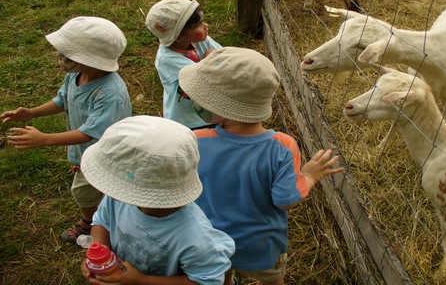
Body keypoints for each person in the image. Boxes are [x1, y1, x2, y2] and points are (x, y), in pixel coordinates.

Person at [178, 47, 345, 285]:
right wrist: (309, 176)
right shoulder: (282, 147)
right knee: (273, 280)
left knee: (220, 273)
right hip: (261, 246)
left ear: (221, 108)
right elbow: (286, 199)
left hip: (209, 239)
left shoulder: (196, 141)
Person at [0, 16, 132, 244]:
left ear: (89, 60)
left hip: (106, 154)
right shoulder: (76, 76)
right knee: (96, 190)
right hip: (86, 152)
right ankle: (101, 217)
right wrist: (32, 112)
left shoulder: (109, 94)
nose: (61, 59)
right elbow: (62, 100)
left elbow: (88, 132)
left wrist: (45, 139)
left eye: (67, 55)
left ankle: (94, 222)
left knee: (87, 191)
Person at [80, 115, 235, 285]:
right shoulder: (119, 198)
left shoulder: (196, 238)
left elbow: (207, 281)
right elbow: (102, 222)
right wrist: (100, 256)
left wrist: (142, 281)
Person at [145, 0, 222, 130]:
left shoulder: (200, 40)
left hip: (212, 109)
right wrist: (211, 58)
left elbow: (225, 57)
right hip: (189, 121)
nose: (205, 26)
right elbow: (204, 82)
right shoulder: (168, 61)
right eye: (198, 25)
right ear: (178, 37)